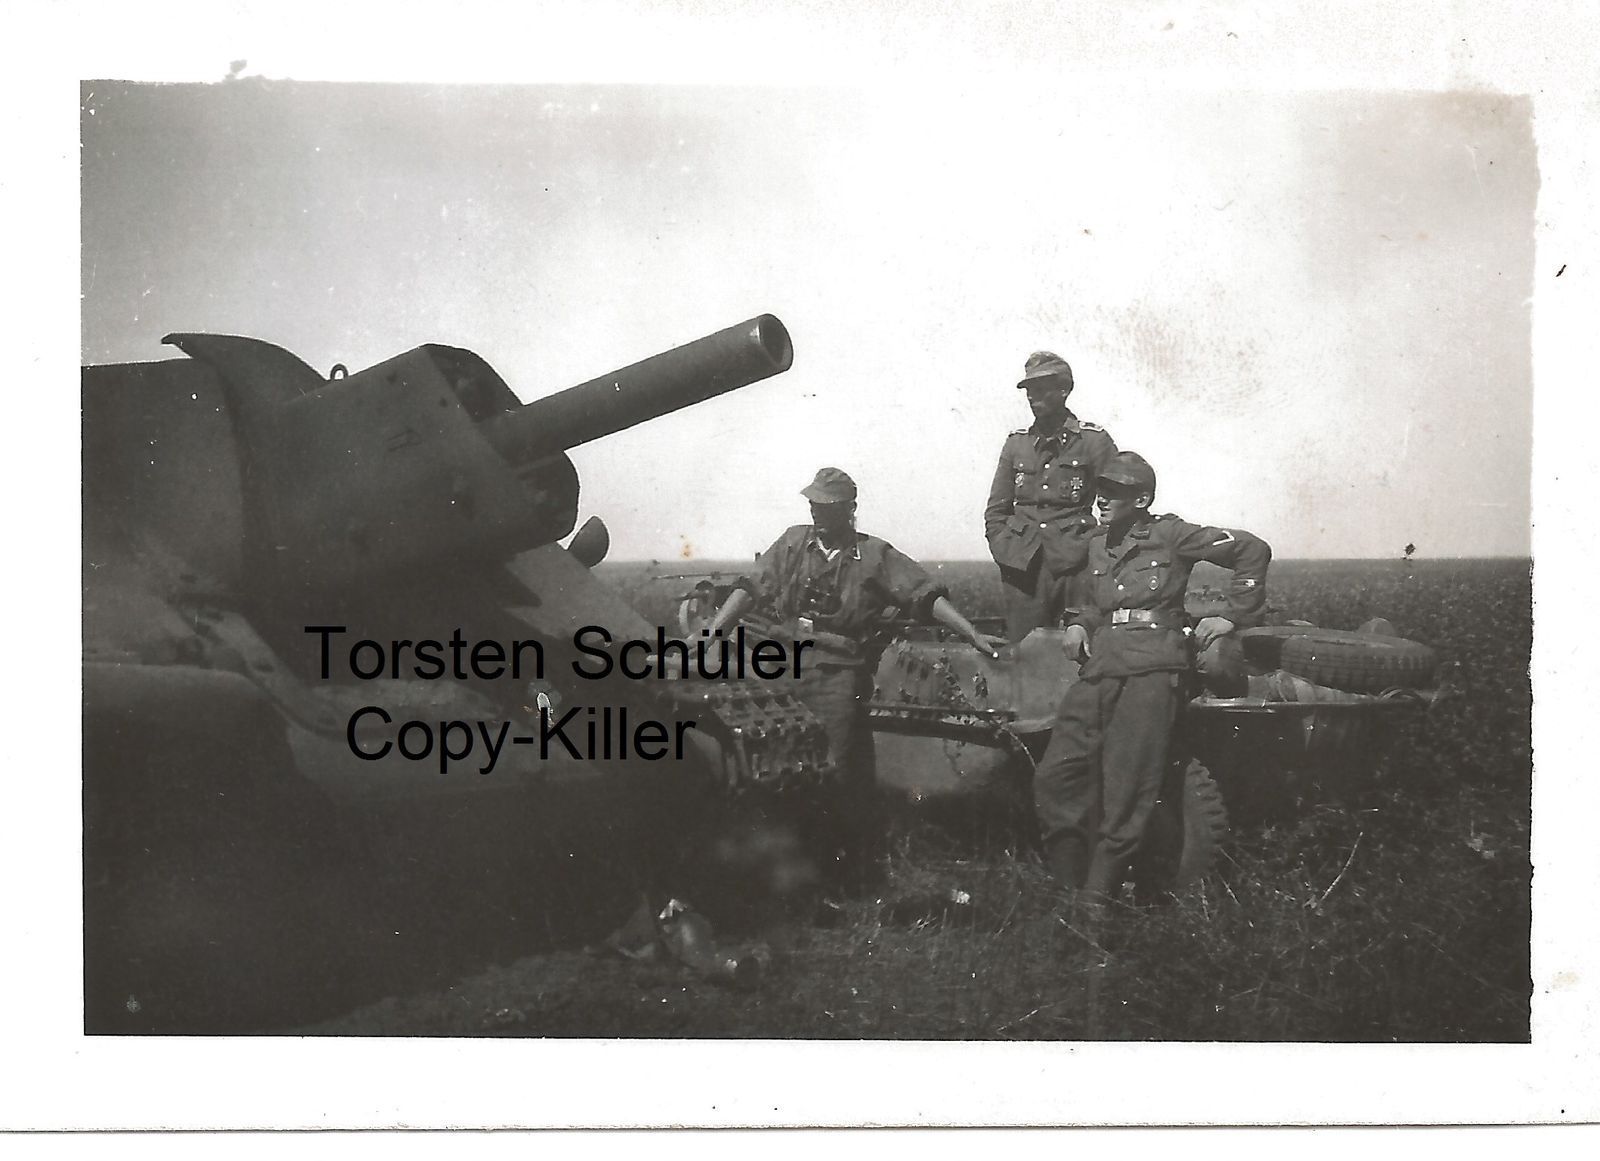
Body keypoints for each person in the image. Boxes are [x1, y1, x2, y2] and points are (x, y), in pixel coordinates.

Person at [705, 467, 1006, 890]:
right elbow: (751, 587)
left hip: (838, 671)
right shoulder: (793, 542)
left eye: (827, 506)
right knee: (773, 761)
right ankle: (778, 864)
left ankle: (836, 871)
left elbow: (923, 595)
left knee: (836, 769)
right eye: (813, 504)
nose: (817, 513)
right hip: (783, 665)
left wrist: (970, 632)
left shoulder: (874, 554)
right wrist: (713, 632)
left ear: (850, 509)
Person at [1032, 451, 1270, 902]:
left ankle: (1095, 904)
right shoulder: (1099, 544)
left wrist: (1234, 616)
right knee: (1056, 777)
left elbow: (1251, 549)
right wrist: (1080, 623)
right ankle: (1067, 888)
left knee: (1127, 789)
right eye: (1100, 490)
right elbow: (1094, 602)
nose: (1101, 499)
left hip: (1154, 669)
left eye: (1114, 492)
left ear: (1141, 499)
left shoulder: (1170, 534)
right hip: (1102, 668)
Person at [984, 351, 1119, 643]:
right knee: (1025, 651)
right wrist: (1005, 550)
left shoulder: (1094, 441)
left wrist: (1095, 552)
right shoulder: (1017, 443)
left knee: (1082, 645)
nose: (1033, 397)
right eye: (1029, 390)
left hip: (1077, 564)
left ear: (1064, 390)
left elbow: (1119, 504)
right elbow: (996, 510)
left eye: (1041, 389)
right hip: (1023, 568)